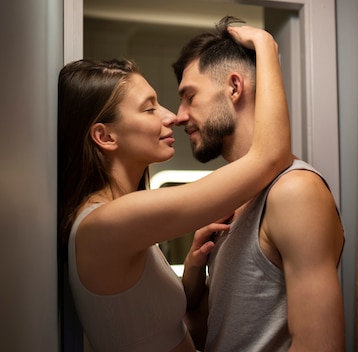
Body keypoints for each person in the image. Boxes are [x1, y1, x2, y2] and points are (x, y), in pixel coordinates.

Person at [57, 22, 291, 352]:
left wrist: (192, 271)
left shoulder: (115, 219)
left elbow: (148, 326)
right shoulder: (110, 221)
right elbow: (270, 157)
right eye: (150, 108)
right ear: (105, 137)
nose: (171, 116)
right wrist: (265, 46)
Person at [174, 16, 345, 351]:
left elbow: (318, 345)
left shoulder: (294, 191)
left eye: (190, 96)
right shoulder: (231, 201)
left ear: (234, 88)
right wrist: (193, 291)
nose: (179, 115)